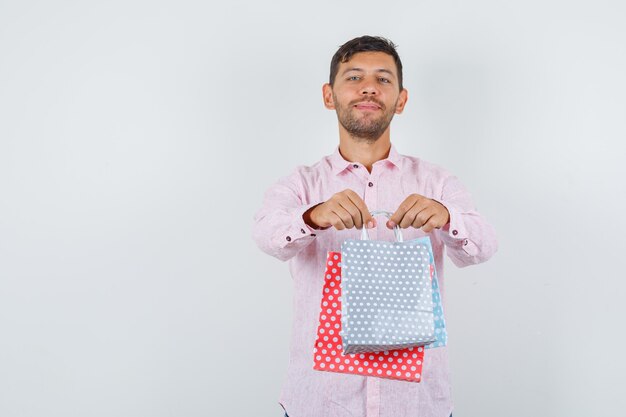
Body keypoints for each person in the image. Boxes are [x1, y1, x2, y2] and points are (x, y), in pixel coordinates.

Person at [252, 35, 498, 417]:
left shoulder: (436, 182)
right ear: (328, 95)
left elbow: (485, 244)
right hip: (320, 401)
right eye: (353, 77)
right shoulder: (302, 184)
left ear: (400, 100)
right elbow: (267, 234)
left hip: (416, 402)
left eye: (383, 79)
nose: (369, 87)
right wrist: (312, 216)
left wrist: (448, 216)